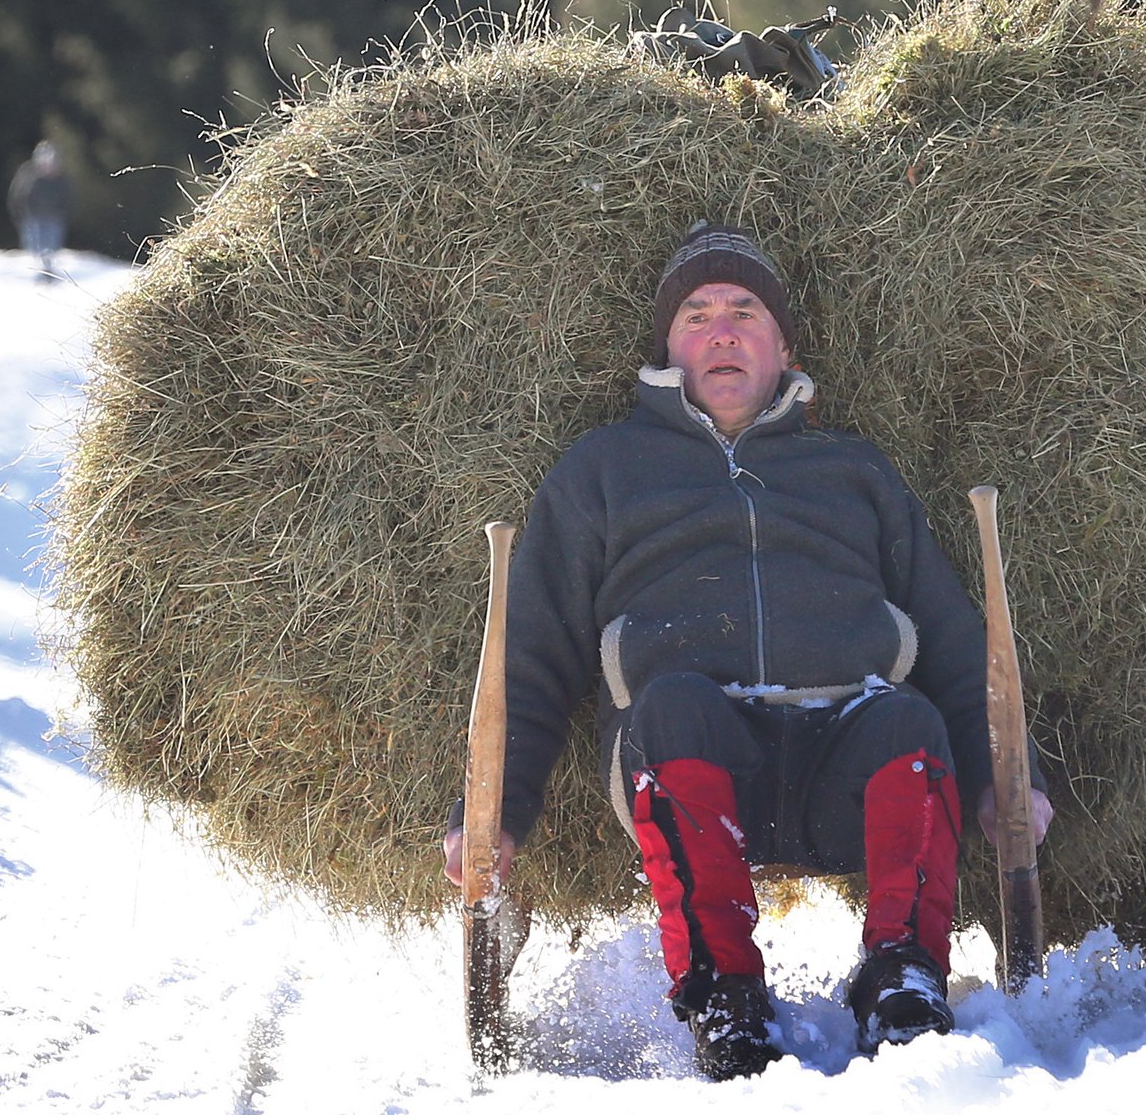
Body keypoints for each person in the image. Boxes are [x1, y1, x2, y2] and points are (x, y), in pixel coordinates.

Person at [443, 222, 1053, 1080]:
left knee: (908, 717)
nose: (721, 330)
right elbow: (534, 656)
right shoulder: (605, 468)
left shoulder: (854, 468)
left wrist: (1002, 785)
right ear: (668, 345)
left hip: (848, 757)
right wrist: (494, 817)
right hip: (694, 760)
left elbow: (954, 643)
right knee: (672, 703)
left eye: (744, 311)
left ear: (783, 345)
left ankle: (903, 974)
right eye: (697, 313)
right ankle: (724, 990)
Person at [7, 140, 72, 280]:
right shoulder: (28, 175)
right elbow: (17, 196)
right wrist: (20, 215)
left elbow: (67, 198)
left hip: (54, 219)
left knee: (51, 248)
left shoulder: (60, 179)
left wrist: (62, 214)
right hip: (32, 219)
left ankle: (49, 272)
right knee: (34, 249)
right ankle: (37, 274)